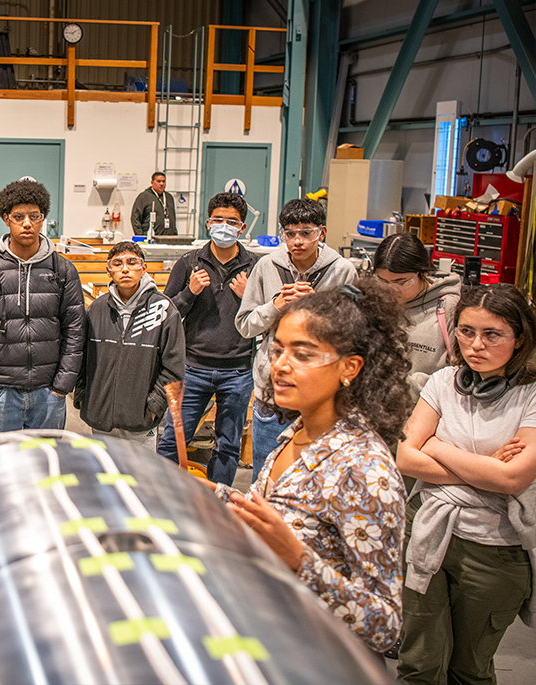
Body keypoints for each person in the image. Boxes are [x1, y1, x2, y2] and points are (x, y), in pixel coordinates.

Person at [217, 279, 412, 654]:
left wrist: (299, 560)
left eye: (303, 355)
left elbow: (384, 626)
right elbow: (283, 514)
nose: (280, 366)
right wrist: (215, 495)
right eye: (277, 351)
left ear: (349, 367)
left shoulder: (363, 468)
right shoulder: (298, 431)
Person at [396, 283, 536, 685]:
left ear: (519, 337)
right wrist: (485, 468)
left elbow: (512, 477)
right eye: (466, 331)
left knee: (470, 670)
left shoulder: (530, 395)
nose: (476, 345)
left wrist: (436, 446)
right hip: (427, 529)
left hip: (495, 548)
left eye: (492, 334)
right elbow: (406, 457)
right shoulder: (443, 381)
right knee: (417, 663)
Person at [236, 198, 357, 481]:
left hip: (322, 395)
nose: (297, 241)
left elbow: (353, 332)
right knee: (266, 477)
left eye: (306, 232)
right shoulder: (266, 266)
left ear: (321, 233)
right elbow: (245, 325)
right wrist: (274, 306)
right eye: (290, 234)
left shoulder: (342, 270)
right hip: (273, 391)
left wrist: (318, 309)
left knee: (317, 479)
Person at [0, 179, 85, 433]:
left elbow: (75, 331)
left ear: (43, 219)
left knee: (45, 458)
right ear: (6, 219)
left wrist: (62, 385)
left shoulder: (63, 271)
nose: (27, 223)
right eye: (19, 217)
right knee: (2, 459)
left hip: (49, 393)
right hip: (1, 392)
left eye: (34, 216)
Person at [156, 192, 258, 484]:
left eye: (232, 222)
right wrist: (190, 293)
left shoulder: (255, 267)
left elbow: (267, 316)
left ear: (242, 227)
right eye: (218, 220)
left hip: (238, 371)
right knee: (173, 441)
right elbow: (164, 314)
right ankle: (164, 496)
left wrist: (248, 297)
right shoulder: (189, 263)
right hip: (193, 369)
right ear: (208, 223)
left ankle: (217, 501)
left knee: (228, 446)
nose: (224, 226)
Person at [74, 241, 184, 449]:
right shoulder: (96, 310)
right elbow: (82, 358)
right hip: (100, 418)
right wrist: (83, 396)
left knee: (138, 471)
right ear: (109, 270)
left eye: (132, 262)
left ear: (143, 268)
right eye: (117, 264)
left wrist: (155, 407)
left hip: (140, 422)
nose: (125, 269)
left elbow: (174, 367)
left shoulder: (164, 310)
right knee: (103, 468)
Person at [372, 232, 460, 405]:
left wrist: (402, 388)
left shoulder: (449, 307)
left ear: (423, 273)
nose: (391, 290)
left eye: (401, 282)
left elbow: (458, 374)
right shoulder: (375, 302)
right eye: (383, 281)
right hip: (378, 409)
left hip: (425, 410)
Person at [130, 171, 177, 237]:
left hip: (168, 237)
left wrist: (174, 234)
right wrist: (140, 236)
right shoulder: (144, 197)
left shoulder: (169, 197)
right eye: (159, 181)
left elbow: (173, 218)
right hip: (150, 237)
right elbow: (135, 218)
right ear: (152, 183)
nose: (161, 184)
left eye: (163, 181)